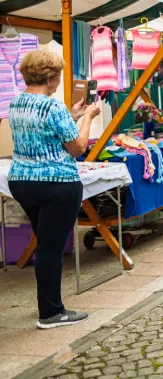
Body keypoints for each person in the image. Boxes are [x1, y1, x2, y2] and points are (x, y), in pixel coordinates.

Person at [8, 51, 101, 329]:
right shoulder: (51, 107)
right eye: (58, 75)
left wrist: (73, 113)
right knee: (50, 249)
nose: (59, 81)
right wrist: (88, 118)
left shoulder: (16, 103)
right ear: (50, 77)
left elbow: (44, 130)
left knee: (44, 244)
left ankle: (47, 304)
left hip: (23, 182)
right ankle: (50, 313)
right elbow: (78, 148)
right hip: (56, 184)